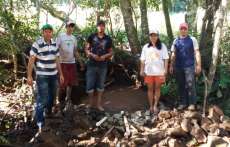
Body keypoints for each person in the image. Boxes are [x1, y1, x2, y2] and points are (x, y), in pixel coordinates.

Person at [27, 24, 64, 132]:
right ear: (42, 33)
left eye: (49, 31)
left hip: (53, 75)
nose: (47, 33)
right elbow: (31, 60)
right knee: (42, 99)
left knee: (52, 96)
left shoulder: (55, 44)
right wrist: (29, 76)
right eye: (45, 31)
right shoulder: (37, 44)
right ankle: (40, 123)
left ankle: (48, 113)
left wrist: (61, 74)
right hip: (42, 76)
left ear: (52, 33)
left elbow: (57, 60)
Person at [169, 22, 201, 110]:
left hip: (189, 66)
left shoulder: (192, 39)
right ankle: (183, 103)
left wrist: (198, 65)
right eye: (181, 29)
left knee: (191, 85)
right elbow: (173, 54)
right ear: (179, 30)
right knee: (181, 85)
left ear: (187, 30)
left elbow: (197, 52)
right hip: (178, 66)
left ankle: (192, 104)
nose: (183, 30)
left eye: (185, 29)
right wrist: (171, 65)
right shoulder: (176, 40)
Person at [85, 20, 113, 111]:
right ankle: (90, 104)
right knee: (90, 85)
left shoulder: (108, 39)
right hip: (91, 64)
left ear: (105, 27)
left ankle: (98, 104)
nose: (101, 27)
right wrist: (92, 55)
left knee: (100, 85)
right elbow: (86, 49)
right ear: (97, 27)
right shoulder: (92, 37)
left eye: (103, 26)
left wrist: (105, 56)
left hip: (103, 65)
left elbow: (111, 52)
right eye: (99, 26)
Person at [56, 20, 83, 112]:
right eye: (69, 26)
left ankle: (70, 101)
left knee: (72, 83)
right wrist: (56, 63)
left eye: (72, 26)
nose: (70, 28)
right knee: (62, 84)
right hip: (62, 63)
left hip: (72, 63)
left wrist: (80, 61)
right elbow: (56, 50)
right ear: (66, 27)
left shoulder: (74, 38)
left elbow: (75, 51)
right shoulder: (60, 37)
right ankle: (60, 102)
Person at [140, 29, 169, 114]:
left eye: (155, 35)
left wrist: (166, 69)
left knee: (157, 88)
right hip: (148, 72)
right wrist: (141, 70)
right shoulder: (146, 47)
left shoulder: (162, 46)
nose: (153, 37)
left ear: (158, 36)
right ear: (149, 36)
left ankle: (155, 105)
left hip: (159, 72)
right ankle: (150, 106)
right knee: (150, 89)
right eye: (151, 35)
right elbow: (142, 59)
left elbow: (166, 58)